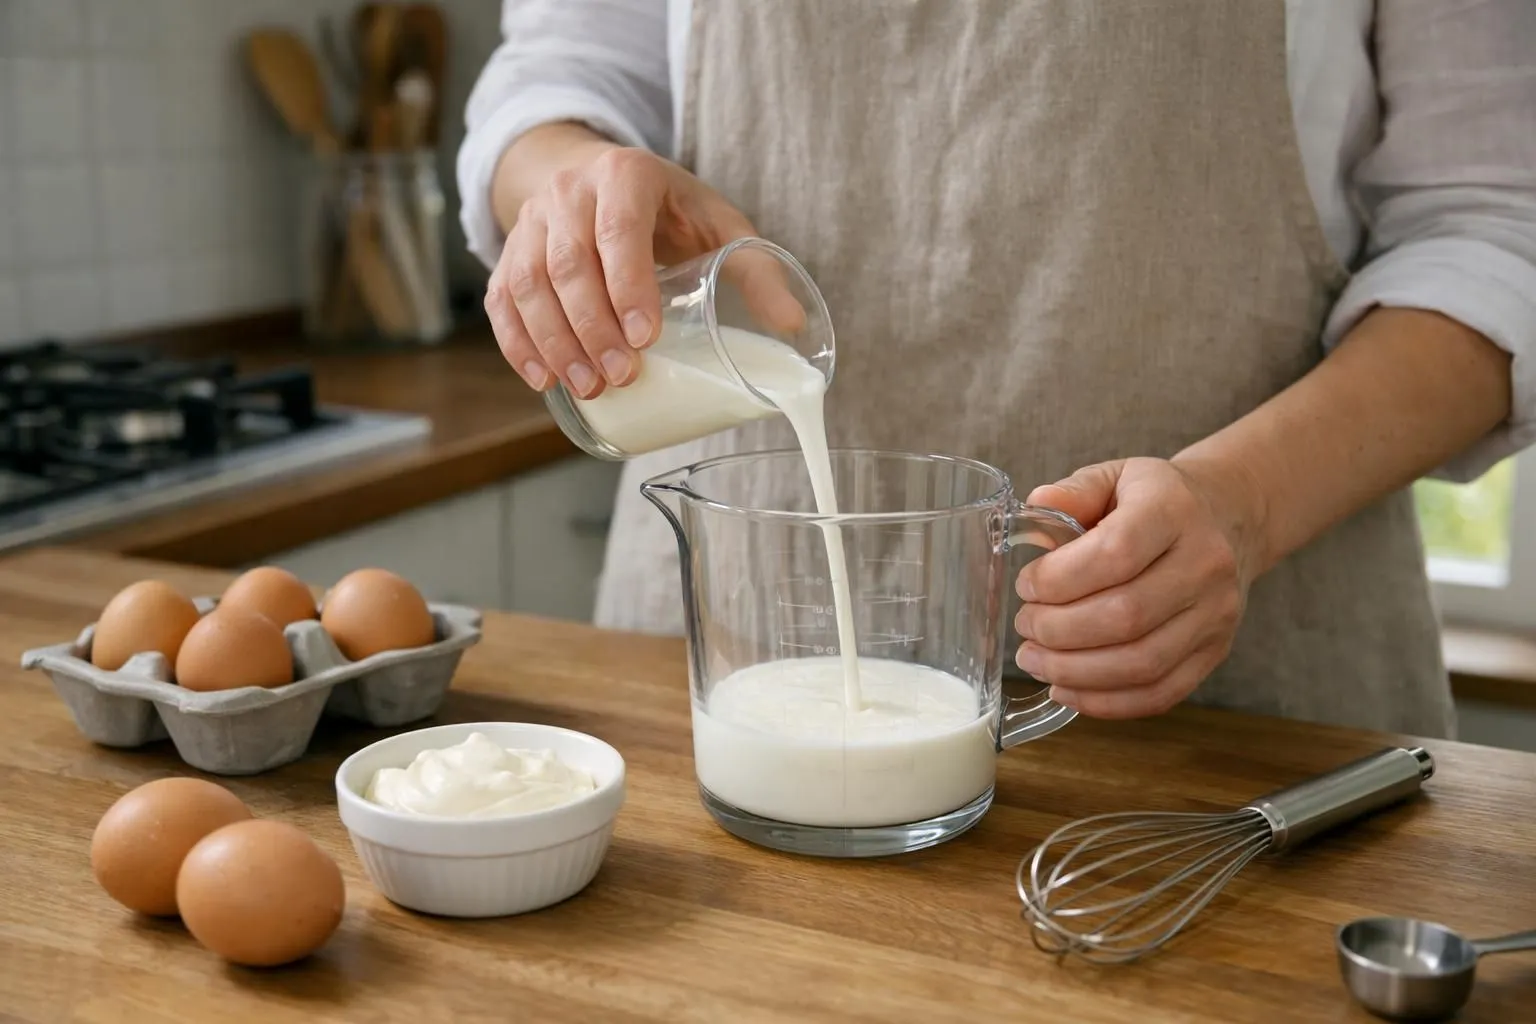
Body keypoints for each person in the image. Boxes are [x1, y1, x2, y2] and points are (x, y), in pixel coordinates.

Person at [459, 1, 1536, 738]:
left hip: (1250, 714)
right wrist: (563, 177)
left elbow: (1500, 229)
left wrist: (1244, 507)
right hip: (723, 665)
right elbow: (560, 75)